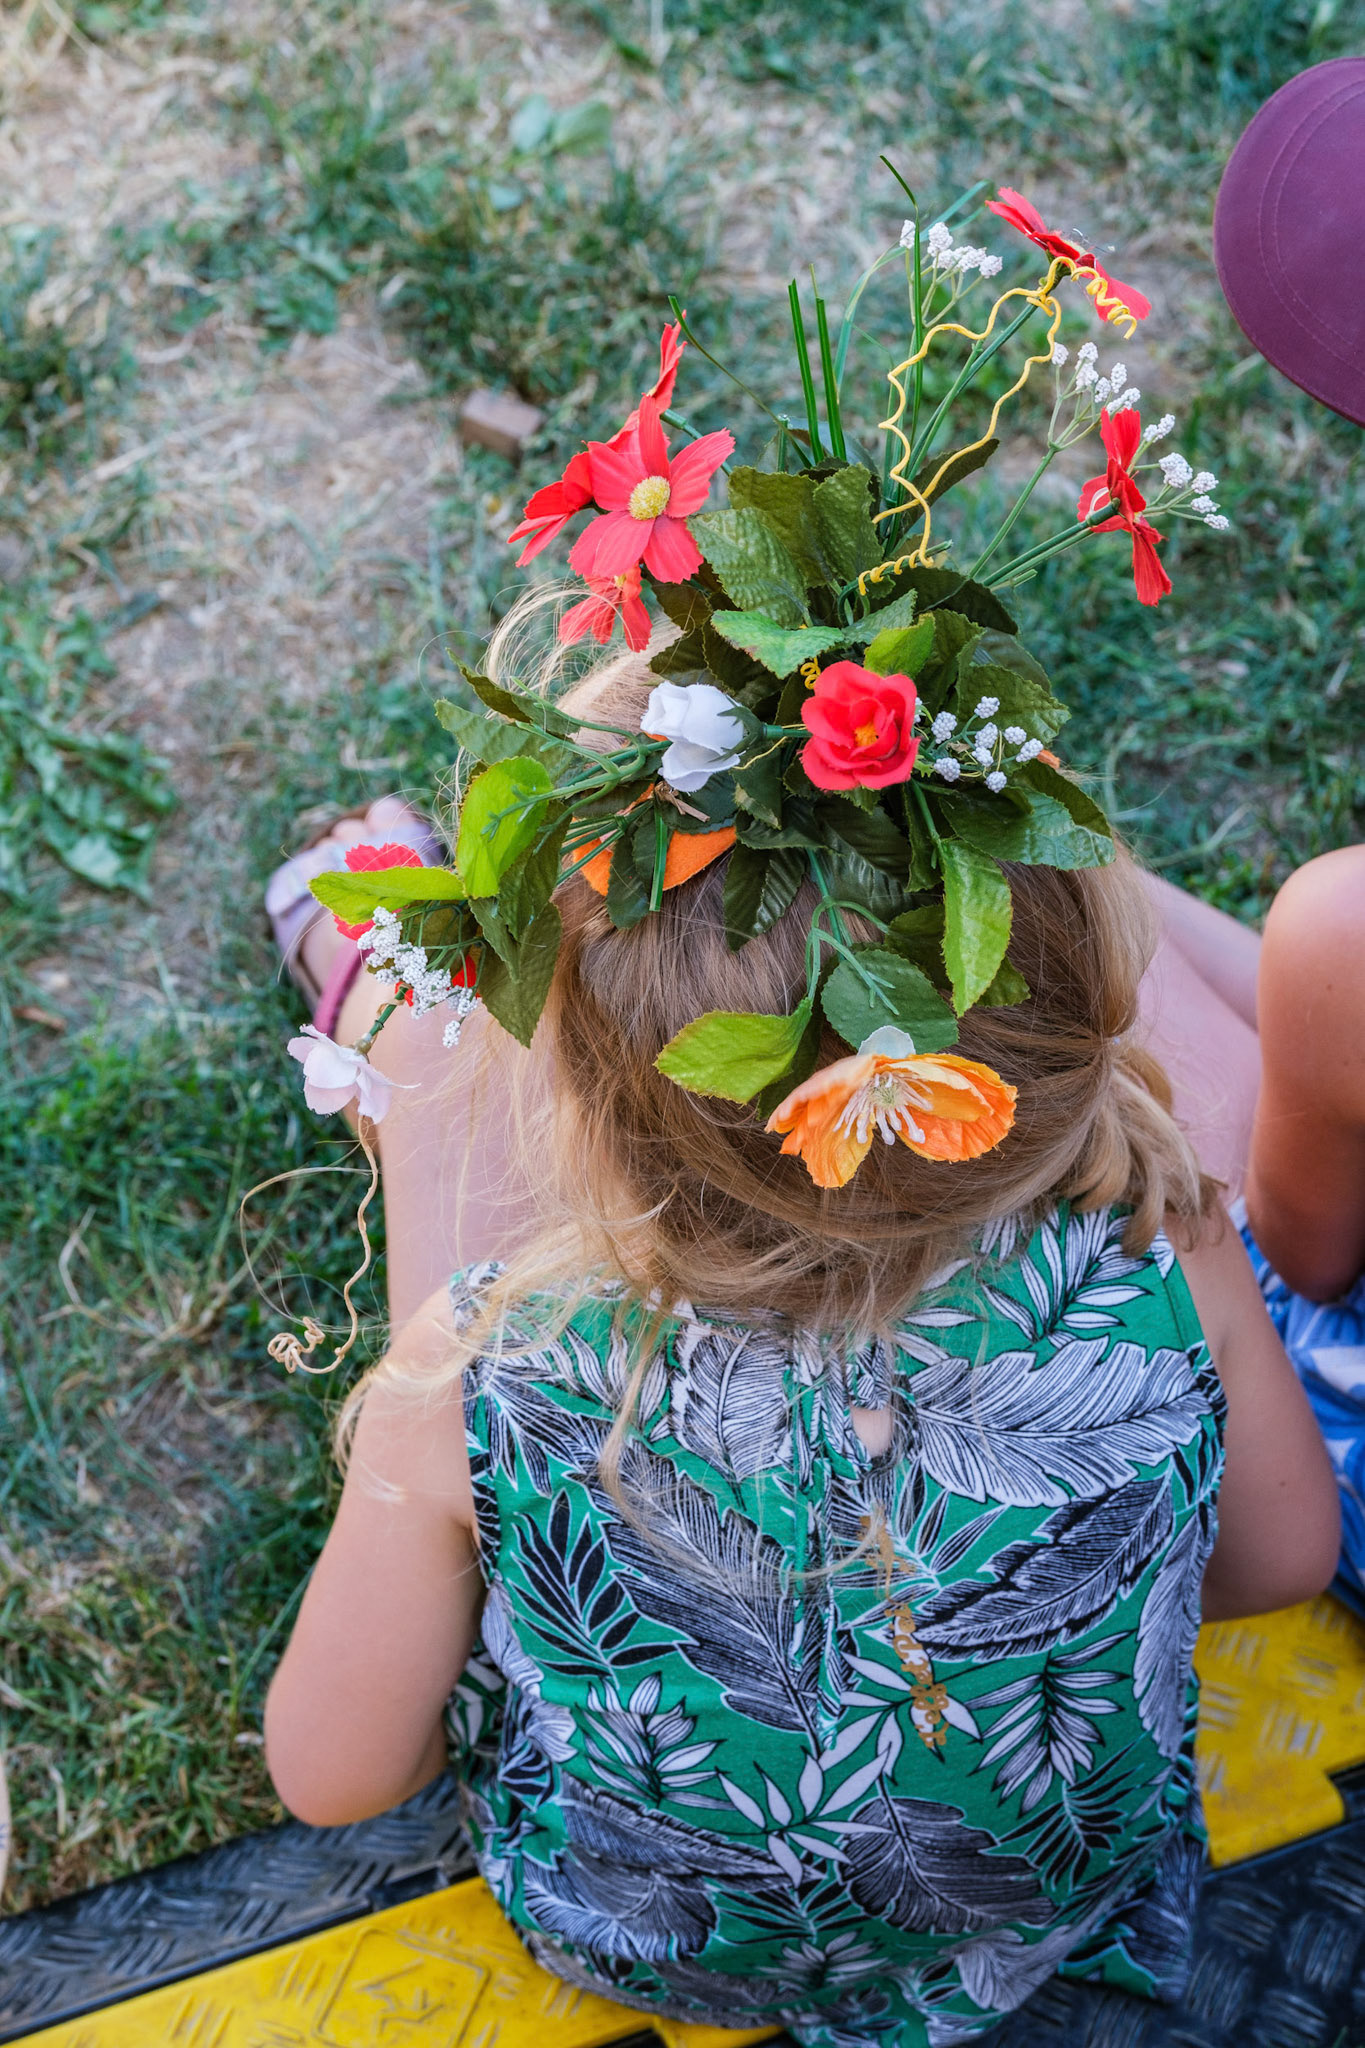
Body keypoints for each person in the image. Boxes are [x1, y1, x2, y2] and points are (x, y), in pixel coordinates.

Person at [259, 208, 1341, 2041]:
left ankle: (382, 981)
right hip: (1054, 1907)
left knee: (420, 1077)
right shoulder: (1156, 1245)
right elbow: (1279, 1569)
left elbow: (334, 1771)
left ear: (580, 1098)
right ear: (1051, 1035)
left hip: (650, 1944)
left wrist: (426, 1417)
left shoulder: (492, 1376)